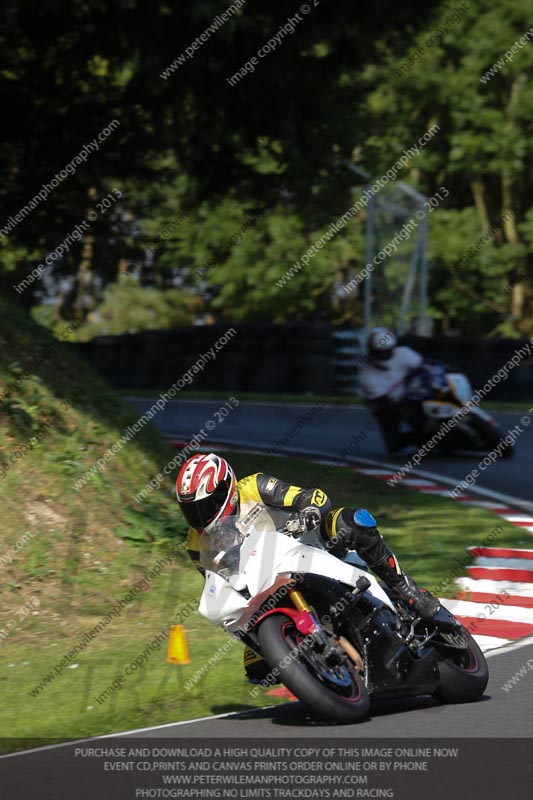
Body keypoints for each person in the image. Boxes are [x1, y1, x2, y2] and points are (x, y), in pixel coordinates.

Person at [176, 453, 440, 682]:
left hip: (310, 543)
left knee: (350, 521)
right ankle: (312, 657)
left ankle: (407, 590)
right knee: (257, 665)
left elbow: (312, 496)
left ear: (227, 489)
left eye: (204, 506)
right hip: (266, 582)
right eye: (191, 510)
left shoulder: (254, 487)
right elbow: (218, 582)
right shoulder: (194, 542)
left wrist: (309, 510)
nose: (199, 516)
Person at [359, 327, 425, 453]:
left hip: (412, 394)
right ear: (372, 351)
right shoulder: (366, 375)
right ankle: (423, 438)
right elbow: (383, 402)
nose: (384, 355)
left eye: (387, 351)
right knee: (393, 446)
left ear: (393, 348)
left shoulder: (404, 353)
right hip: (384, 405)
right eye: (380, 352)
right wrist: (405, 413)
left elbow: (424, 367)